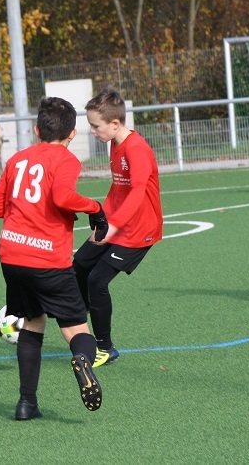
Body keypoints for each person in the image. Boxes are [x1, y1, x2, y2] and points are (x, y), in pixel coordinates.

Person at [0, 96, 107, 421]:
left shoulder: (17, 159)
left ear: (37, 130)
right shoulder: (66, 159)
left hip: (11, 255)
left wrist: (24, 211)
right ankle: (82, 360)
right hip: (47, 259)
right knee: (76, 328)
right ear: (72, 134)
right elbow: (62, 196)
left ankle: (26, 404)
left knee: (33, 323)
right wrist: (95, 208)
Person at [73, 86, 162, 369]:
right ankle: (84, 318)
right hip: (119, 223)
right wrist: (104, 221)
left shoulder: (137, 149)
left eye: (95, 126)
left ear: (114, 123)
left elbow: (137, 192)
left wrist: (114, 226)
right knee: (79, 265)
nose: (92, 131)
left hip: (140, 230)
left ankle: (105, 348)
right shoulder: (114, 143)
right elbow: (118, 188)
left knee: (97, 281)